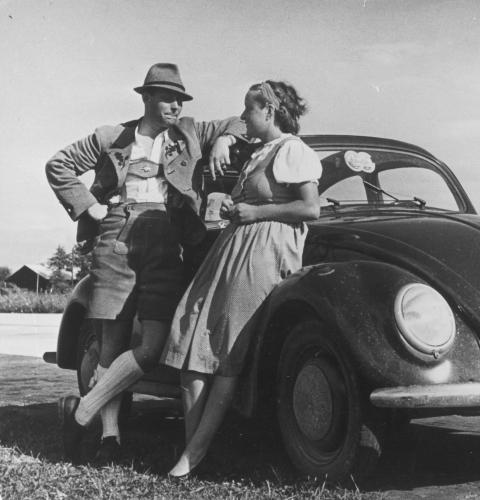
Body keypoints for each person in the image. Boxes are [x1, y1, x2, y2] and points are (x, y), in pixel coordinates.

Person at [47, 63, 246, 464]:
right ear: (147, 98)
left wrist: (224, 138)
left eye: (180, 99)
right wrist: (92, 207)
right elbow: (58, 165)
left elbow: (242, 122)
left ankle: (81, 412)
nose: (176, 105)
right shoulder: (111, 136)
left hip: (167, 234)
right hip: (115, 233)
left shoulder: (191, 131)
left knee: (152, 345)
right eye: (168, 97)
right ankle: (110, 438)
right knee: (111, 342)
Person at [160, 80, 322, 478]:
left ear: (268, 110)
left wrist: (256, 213)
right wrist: (234, 207)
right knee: (192, 336)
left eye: (249, 110)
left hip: (265, 252)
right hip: (235, 248)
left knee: (227, 348)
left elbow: (311, 209)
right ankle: (194, 447)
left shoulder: (293, 150)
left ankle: (194, 454)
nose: (244, 116)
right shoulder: (260, 151)